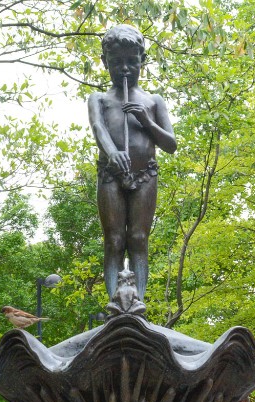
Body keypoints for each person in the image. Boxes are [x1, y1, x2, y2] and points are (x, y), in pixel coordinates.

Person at [88, 25, 176, 304]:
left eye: (131, 62)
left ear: (142, 61)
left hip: (145, 174)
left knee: (138, 238)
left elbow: (170, 145)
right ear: (105, 63)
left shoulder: (153, 101)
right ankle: (115, 301)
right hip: (111, 174)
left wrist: (146, 121)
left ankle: (137, 300)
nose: (124, 69)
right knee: (114, 240)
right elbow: (98, 128)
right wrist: (112, 152)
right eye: (116, 63)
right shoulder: (99, 99)